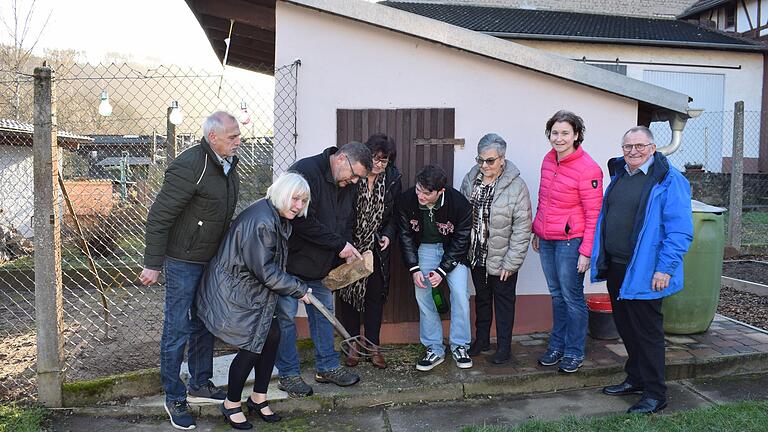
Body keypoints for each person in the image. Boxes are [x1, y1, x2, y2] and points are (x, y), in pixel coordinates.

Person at [139, 111, 240, 430]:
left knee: (204, 322)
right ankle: (174, 396)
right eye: (232, 137)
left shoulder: (228, 163)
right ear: (213, 137)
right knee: (178, 327)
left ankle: (200, 383)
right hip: (183, 259)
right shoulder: (190, 165)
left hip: (211, 260)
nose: (238, 141)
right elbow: (158, 216)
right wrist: (153, 263)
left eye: (238, 135)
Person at [196, 173, 312, 430]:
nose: (298, 206)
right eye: (295, 199)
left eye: (303, 201)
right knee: (252, 346)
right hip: (234, 292)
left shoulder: (273, 214)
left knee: (271, 337)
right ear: (282, 194)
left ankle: (259, 397)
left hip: (249, 289)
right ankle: (231, 403)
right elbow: (265, 270)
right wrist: (298, 289)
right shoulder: (263, 221)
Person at [592, 126, 693, 414]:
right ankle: (635, 379)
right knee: (627, 327)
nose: (633, 152)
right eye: (627, 147)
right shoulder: (621, 174)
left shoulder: (669, 180)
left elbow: (680, 232)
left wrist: (665, 269)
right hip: (618, 267)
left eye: (639, 146)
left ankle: (655, 393)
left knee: (647, 332)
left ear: (652, 147)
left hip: (648, 272)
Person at [275, 141, 373, 397]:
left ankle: (327, 367)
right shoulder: (305, 171)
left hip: (321, 266)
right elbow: (301, 220)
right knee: (285, 319)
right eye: (353, 175)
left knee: (324, 315)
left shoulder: (347, 183)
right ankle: (288, 374)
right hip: (290, 263)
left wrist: (346, 251)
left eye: (358, 179)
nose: (354, 182)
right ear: (341, 159)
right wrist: (339, 244)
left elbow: (346, 220)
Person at [532, 110, 603, 374]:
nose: (559, 138)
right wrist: (537, 230)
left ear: (576, 135)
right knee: (556, 295)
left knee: (572, 297)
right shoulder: (548, 160)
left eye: (565, 133)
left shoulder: (588, 168)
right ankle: (557, 346)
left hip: (571, 242)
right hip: (548, 239)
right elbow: (544, 199)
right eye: (555, 133)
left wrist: (586, 252)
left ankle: (574, 351)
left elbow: (594, 214)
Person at [460, 133, 532, 364]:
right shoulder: (471, 179)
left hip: (503, 257)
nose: (483, 165)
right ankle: (481, 340)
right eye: (480, 160)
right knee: (482, 299)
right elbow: (462, 215)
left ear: (502, 159)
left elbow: (523, 227)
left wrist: (511, 262)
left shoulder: (516, 185)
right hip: (477, 253)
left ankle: (503, 347)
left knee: (503, 302)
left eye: (489, 161)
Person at [397, 164, 473, 371]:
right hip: (425, 249)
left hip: (452, 250)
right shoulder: (406, 200)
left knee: (459, 294)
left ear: (441, 192)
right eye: (418, 189)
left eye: (426, 193)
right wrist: (413, 268)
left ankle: (460, 346)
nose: (420, 195)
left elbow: (461, 239)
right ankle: (433, 348)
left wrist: (442, 270)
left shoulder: (459, 204)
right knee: (423, 294)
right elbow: (405, 236)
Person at [336, 134, 402, 369]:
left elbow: (395, 215)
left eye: (384, 160)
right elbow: (342, 214)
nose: (379, 164)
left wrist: (388, 234)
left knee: (375, 296)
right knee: (349, 297)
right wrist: (346, 244)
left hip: (375, 249)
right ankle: (353, 346)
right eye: (375, 158)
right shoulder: (354, 177)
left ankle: (373, 346)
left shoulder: (393, 179)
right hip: (351, 245)